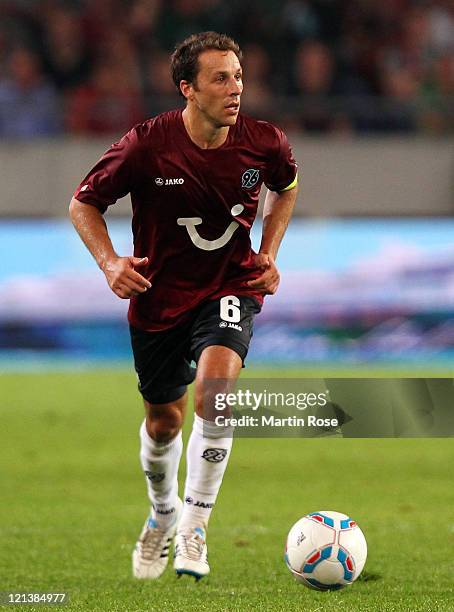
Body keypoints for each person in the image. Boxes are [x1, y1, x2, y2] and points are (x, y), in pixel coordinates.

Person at [69, 31, 298, 581]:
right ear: (187, 89)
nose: (235, 88)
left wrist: (268, 254)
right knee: (164, 423)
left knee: (214, 396)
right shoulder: (146, 145)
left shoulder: (264, 142)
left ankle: (195, 527)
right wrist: (110, 264)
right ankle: (163, 512)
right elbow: (84, 203)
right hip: (159, 298)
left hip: (229, 286)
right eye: (220, 78)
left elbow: (286, 187)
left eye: (239, 76)